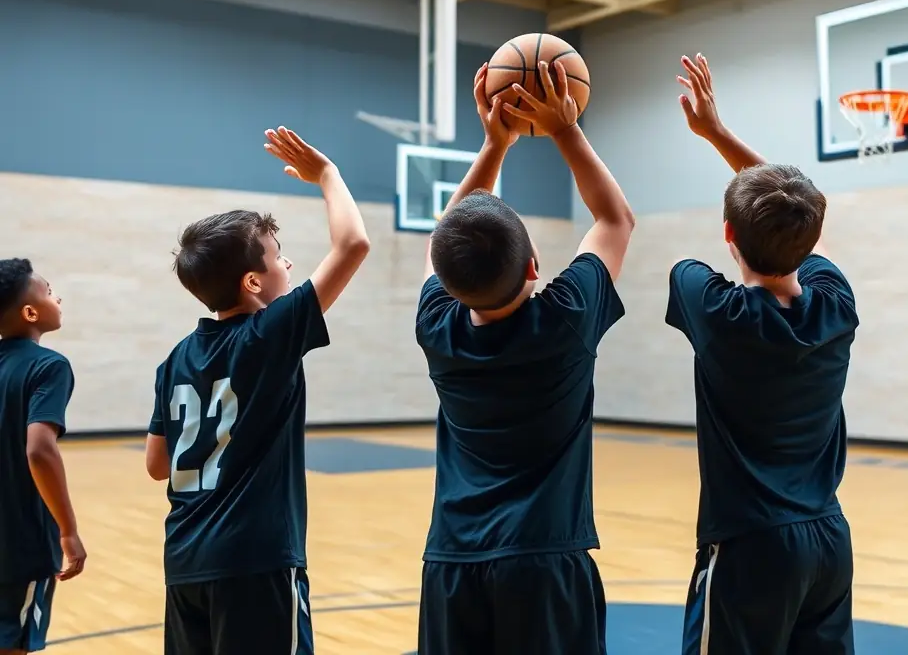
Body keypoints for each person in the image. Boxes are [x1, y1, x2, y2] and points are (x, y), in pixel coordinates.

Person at [414, 61, 634, 655]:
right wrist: (566, 129)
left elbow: (446, 241)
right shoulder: (565, 318)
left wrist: (494, 145)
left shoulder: (437, 326)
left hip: (453, 561)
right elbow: (614, 219)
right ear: (535, 266)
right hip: (544, 561)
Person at [144, 128, 370, 655]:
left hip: (184, 563)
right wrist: (329, 175)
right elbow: (354, 244)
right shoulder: (269, 333)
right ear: (252, 282)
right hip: (257, 561)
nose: (288, 264)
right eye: (278, 256)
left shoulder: (173, 359)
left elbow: (158, 465)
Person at [668, 54, 859, 655]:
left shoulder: (711, 304)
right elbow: (799, 220)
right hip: (829, 541)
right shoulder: (836, 304)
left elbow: (795, 224)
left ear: (728, 235)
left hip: (751, 545)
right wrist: (721, 134)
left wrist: (708, 132)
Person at [0, 259, 86, 655]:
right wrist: (68, 530)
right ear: (30, 313)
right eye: (50, 291)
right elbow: (39, 448)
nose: (59, 297)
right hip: (22, 546)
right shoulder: (49, 366)